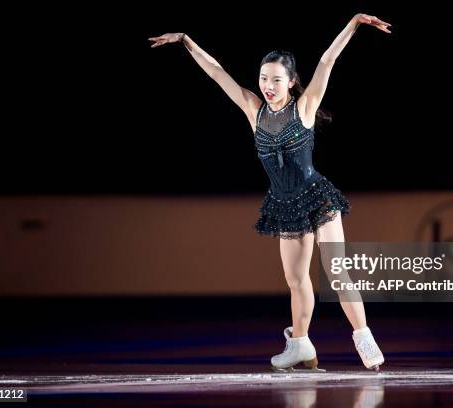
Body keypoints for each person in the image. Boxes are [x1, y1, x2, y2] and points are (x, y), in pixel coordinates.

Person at [149, 12, 391, 372]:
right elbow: (217, 72)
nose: (268, 86)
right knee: (296, 281)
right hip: (285, 204)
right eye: (264, 78)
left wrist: (354, 24)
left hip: (317, 197)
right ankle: (300, 345)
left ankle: (364, 337)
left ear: (292, 82)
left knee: (337, 270)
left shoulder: (304, 107)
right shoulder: (253, 111)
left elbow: (327, 60)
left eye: (276, 80)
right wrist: (185, 40)